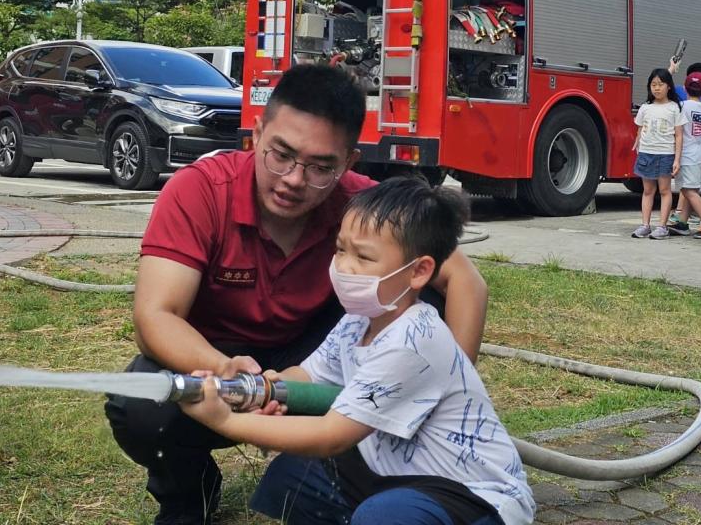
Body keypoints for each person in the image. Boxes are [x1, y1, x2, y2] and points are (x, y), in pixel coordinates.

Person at [104, 64, 489, 525]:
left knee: (419, 296)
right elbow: (156, 316)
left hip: (316, 349)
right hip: (216, 354)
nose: (292, 178)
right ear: (257, 132)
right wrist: (225, 370)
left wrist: (445, 388)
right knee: (144, 404)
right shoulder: (200, 192)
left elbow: (466, 282)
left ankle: (364, 467)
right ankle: (188, 492)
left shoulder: (363, 211)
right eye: (280, 155)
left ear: (349, 162)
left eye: (320, 166)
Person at [181, 177, 536, 525]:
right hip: (392, 471)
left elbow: (331, 437)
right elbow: (307, 376)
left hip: (468, 494)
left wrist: (226, 421)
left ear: (419, 271)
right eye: (340, 249)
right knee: (292, 478)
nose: (343, 266)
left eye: (363, 257)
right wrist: (253, 389)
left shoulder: (414, 341)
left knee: (382, 516)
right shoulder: (361, 318)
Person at [632, 68, 686, 239]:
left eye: (660, 84)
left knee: (664, 190)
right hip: (647, 153)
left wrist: (677, 159)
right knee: (647, 191)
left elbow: (679, 135)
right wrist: (638, 142)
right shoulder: (645, 108)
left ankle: (662, 226)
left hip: (665, 154)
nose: (656, 88)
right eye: (653, 85)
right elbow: (640, 129)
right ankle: (645, 225)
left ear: (668, 87)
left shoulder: (674, 108)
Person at [667, 72, 701, 239]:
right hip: (699, 152)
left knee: (689, 191)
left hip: (686, 153)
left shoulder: (681, 106)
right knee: (691, 189)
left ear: (684, 87)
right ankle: (682, 222)